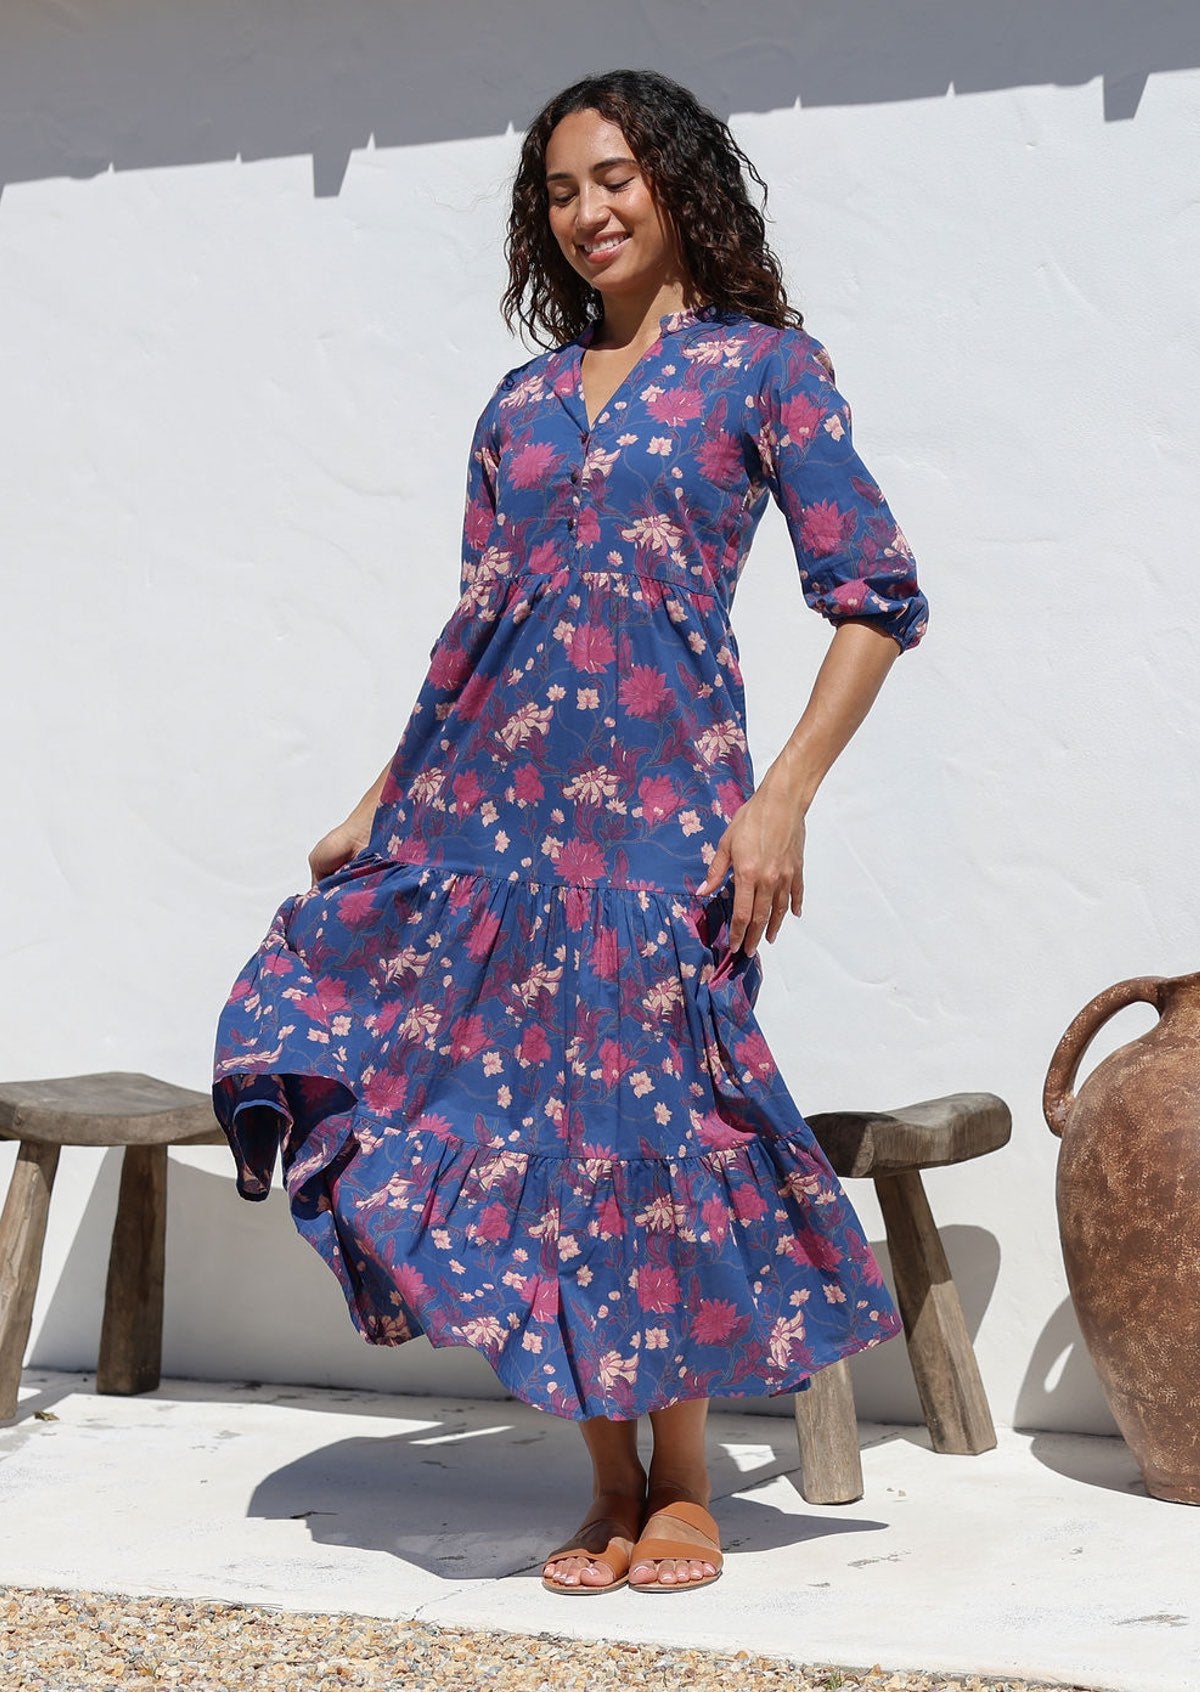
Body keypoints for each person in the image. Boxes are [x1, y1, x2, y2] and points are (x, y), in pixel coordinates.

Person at [211, 67, 929, 1598]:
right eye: (559, 191)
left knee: (650, 1123)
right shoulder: (521, 408)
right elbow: (478, 633)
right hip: (494, 819)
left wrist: (781, 794)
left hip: (672, 816)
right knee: (529, 1126)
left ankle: (685, 1484)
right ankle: (604, 1482)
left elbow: (874, 595)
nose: (590, 210)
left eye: (614, 178)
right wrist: (378, 808)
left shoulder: (764, 374)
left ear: (674, 187)